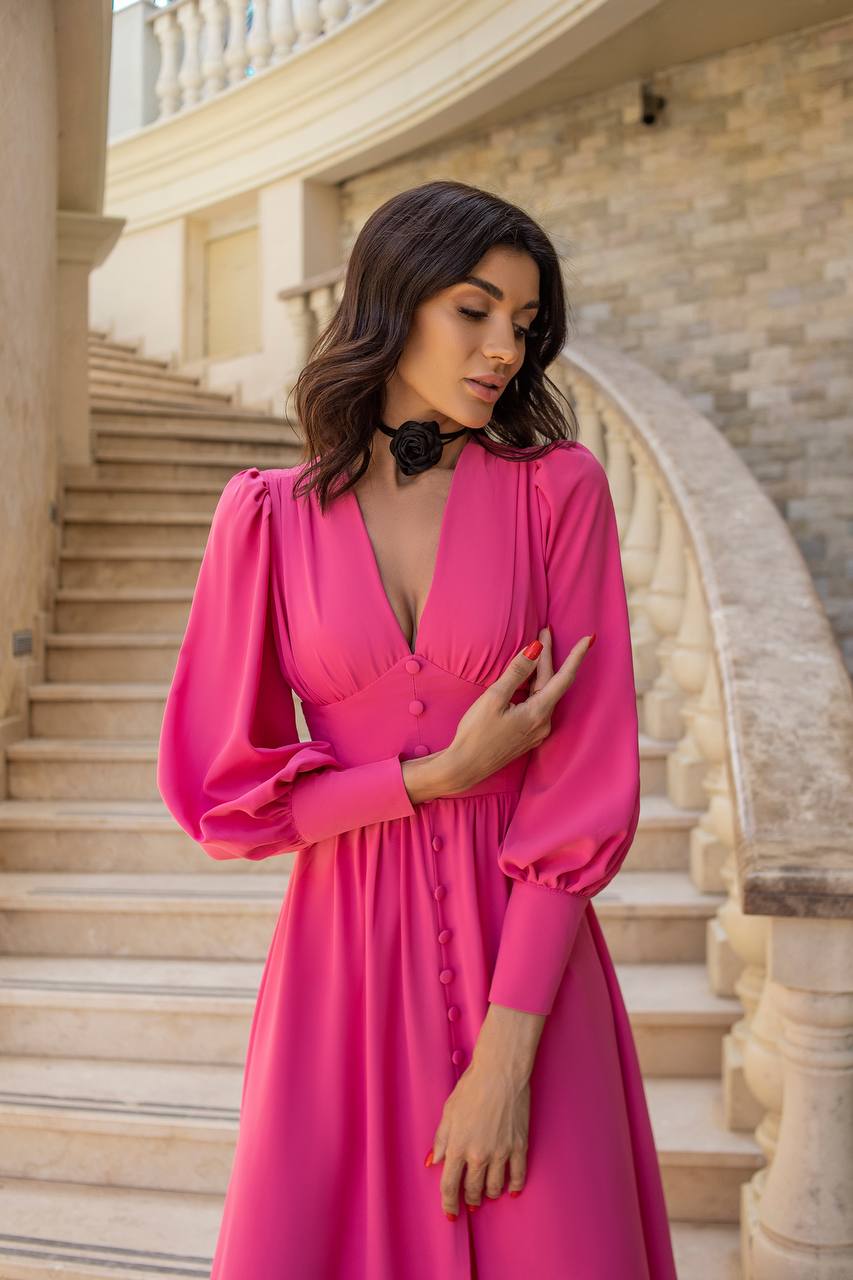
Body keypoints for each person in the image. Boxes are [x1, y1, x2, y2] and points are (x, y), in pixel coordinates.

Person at [157, 179, 678, 1279]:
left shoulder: (557, 492)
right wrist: (435, 773)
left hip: (525, 958)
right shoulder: (266, 517)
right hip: (336, 970)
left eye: (524, 326)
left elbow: (584, 782)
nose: (503, 348)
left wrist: (505, 1052)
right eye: (473, 310)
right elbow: (224, 801)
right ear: (394, 304)